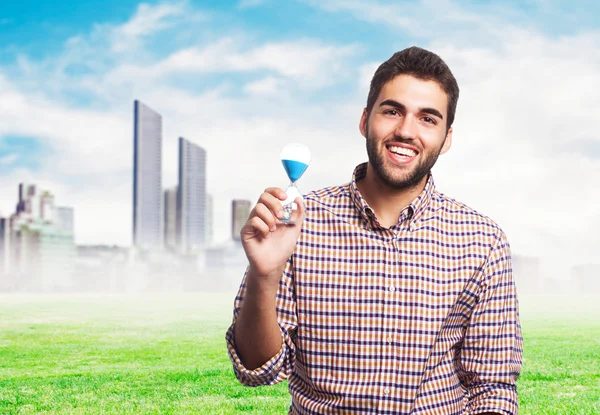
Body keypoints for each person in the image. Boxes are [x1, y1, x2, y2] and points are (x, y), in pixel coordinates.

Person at [226, 46, 523, 415]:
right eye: (392, 111)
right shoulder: (296, 221)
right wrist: (264, 275)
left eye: (428, 119)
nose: (405, 131)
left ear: (446, 139)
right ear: (365, 120)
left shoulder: (483, 242)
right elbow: (257, 369)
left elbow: (491, 387)